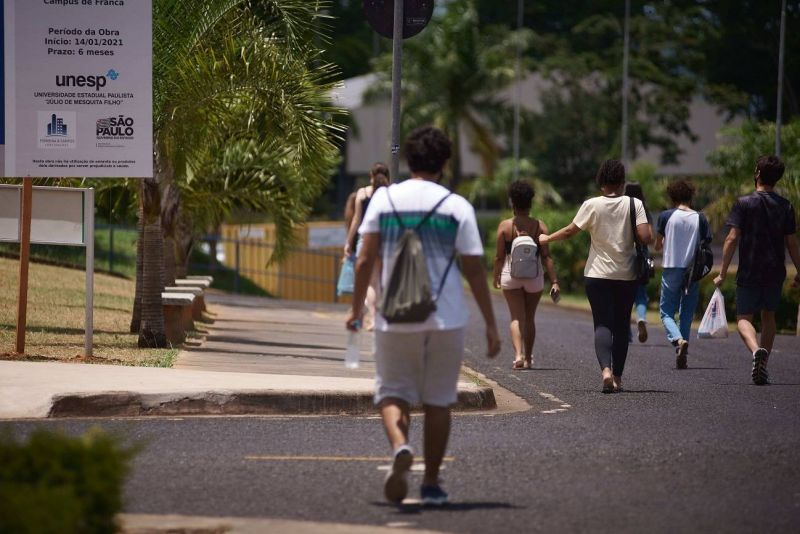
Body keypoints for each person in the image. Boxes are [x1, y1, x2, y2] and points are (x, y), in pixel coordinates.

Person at [346, 126, 501, 506]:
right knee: (438, 401)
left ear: (409, 160)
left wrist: (354, 312)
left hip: (395, 316)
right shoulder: (456, 206)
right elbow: (475, 269)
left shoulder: (384, 201)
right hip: (446, 317)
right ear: (444, 163)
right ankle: (431, 484)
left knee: (391, 392)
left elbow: (364, 259)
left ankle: (400, 446)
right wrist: (492, 325)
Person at [540, 160, 652, 393]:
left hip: (597, 274)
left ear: (601, 183)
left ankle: (606, 372)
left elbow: (571, 230)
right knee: (621, 325)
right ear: (622, 182)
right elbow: (645, 237)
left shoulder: (591, 204)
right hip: (626, 275)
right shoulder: (635, 204)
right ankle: (618, 378)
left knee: (601, 323)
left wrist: (547, 239)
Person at [714, 155, 800, 385]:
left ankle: (755, 351)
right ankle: (764, 362)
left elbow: (732, 238)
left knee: (743, 317)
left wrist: (722, 272)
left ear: (758, 174)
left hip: (750, 268)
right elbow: (792, 243)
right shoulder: (785, 206)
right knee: (769, 316)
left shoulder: (744, 203)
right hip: (775, 269)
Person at [493, 180, 560, 370]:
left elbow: (498, 257)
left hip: (510, 275)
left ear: (512, 203)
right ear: (530, 203)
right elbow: (547, 257)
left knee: (516, 317)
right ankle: (529, 358)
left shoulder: (505, 226)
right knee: (530, 318)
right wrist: (554, 281)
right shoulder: (540, 226)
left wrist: (496, 276)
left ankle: (518, 356)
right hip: (534, 277)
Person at [655, 178, 712, 369]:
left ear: (672, 196)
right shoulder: (700, 218)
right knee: (686, 312)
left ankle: (678, 341)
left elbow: (657, 244)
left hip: (672, 267)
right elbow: (706, 243)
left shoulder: (665, 216)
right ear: (691, 195)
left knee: (666, 312)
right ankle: (683, 351)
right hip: (692, 270)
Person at [344, 163, 390, 330]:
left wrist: (349, 242)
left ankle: (372, 317)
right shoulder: (389, 194)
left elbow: (356, 220)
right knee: (380, 281)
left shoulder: (362, 194)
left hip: (367, 239)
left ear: (371, 175)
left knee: (370, 283)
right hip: (385, 240)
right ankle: (379, 317)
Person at [624, 182, 652, 344]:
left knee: (624, 294)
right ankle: (641, 318)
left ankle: (626, 333)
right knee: (641, 293)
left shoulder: (622, 208)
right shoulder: (644, 210)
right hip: (642, 255)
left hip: (625, 255)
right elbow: (649, 235)